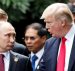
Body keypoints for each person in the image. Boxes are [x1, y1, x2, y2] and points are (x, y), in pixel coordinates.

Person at [39, 3, 75, 71]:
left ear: (62, 22)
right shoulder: (49, 43)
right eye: (45, 22)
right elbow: (43, 69)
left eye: (49, 22)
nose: (46, 27)